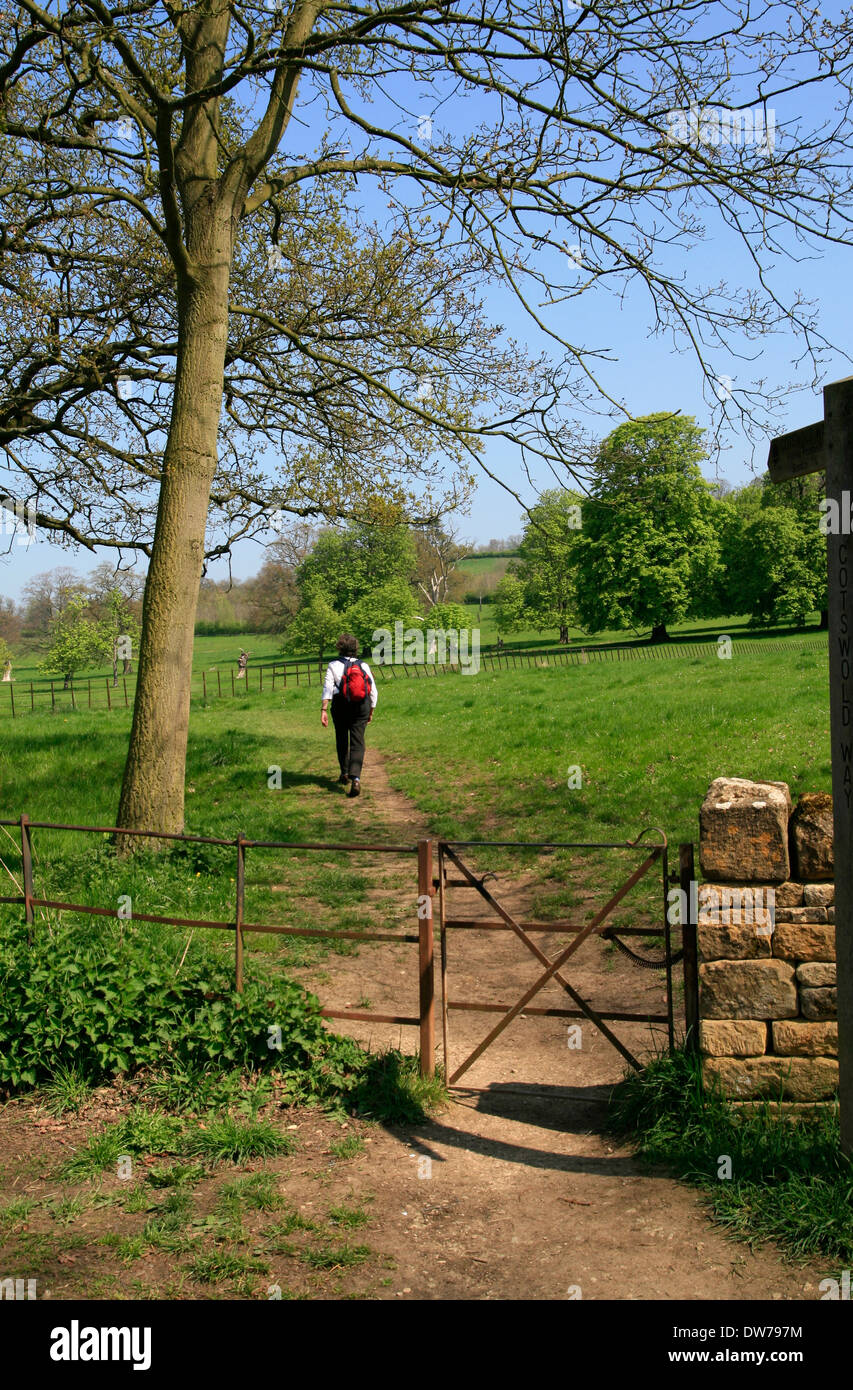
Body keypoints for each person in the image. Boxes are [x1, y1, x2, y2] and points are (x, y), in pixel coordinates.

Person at [321, 634, 377, 798]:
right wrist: (371, 711)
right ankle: (356, 778)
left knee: (341, 738)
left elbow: (327, 688)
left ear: (340, 648)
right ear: (355, 649)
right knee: (358, 742)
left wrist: (324, 709)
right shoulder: (364, 666)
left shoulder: (333, 665)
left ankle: (344, 773)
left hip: (340, 706)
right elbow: (373, 691)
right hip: (361, 706)